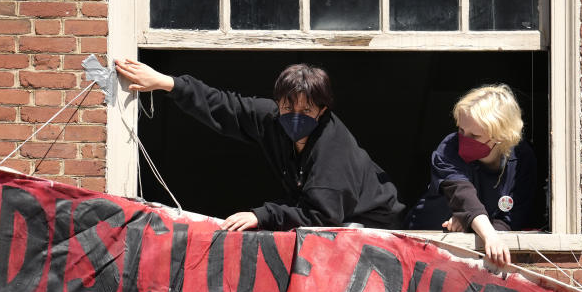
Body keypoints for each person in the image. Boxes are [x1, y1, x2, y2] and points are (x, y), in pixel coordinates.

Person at [115, 59, 405, 231]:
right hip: (329, 219)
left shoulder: (333, 153)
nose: (295, 117)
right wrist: (167, 83)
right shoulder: (270, 119)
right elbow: (225, 106)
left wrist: (261, 215)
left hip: (370, 226)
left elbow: (321, 216)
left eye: (306, 112)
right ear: (278, 103)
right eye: (288, 108)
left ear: (322, 111)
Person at [406, 84, 537, 268]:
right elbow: (461, 193)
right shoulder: (449, 147)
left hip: (473, 249)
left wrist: (472, 225)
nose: (464, 139)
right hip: (425, 240)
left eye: (474, 135)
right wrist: (487, 234)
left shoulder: (522, 158)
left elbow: (512, 217)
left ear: (500, 136)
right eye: (461, 130)